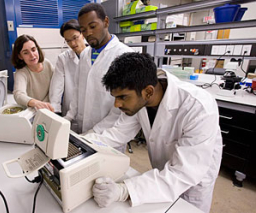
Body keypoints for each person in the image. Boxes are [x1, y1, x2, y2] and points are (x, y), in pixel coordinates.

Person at [86, 52, 223, 213]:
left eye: (122, 97)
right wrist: (80, 141)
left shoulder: (198, 107)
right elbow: (117, 133)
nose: (117, 104)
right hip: (162, 171)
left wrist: (124, 191)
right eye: (115, 97)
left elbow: (183, 173)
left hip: (192, 179)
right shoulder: (140, 97)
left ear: (148, 92)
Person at [64, 3, 134, 136]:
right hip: (83, 128)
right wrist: (69, 117)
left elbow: (122, 107)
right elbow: (78, 89)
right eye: (83, 30)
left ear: (106, 22)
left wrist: (94, 132)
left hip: (108, 132)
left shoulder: (125, 55)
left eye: (93, 26)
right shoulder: (85, 54)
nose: (88, 33)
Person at [49, 19, 87, 116]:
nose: (72, 44)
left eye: (75, 38)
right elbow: (57, 86)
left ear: (82, 34)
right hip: (70, 108)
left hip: (90, 106)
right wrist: (55, 109)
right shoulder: (63, 59)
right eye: (68, 41)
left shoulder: (95, 55)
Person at [12, 34, 54, 111]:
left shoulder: (47, 64)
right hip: (33, 110)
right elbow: (18, 95)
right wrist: (36, 103)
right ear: (20, 56)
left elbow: (56, 86)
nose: (32, 55)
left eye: (33, 49)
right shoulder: (21, 72)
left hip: (50, 106)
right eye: (25, 53)